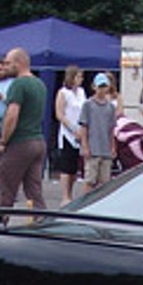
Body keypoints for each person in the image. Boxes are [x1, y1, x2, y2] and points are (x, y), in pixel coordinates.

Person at [0, 47, 49, 210]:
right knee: (34, 190)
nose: (5, 67)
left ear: (19, 63)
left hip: (20, 142)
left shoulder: (19, 84)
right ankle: (42, 222)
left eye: (8, 63)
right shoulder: (39, 84)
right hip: (38, 141)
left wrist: (4, 140)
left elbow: (12, 115)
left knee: (5, 188)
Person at [53, 65, 87, 202]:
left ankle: (71, 191)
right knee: (66, 165)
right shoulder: (63, 93)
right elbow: (60, 114)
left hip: (80, 130)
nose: (81, 79)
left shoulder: (82, 92)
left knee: (74, 166)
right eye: (78, 76)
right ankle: (65, 195)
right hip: (68, 132)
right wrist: (73, 129)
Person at [80, 73, 119, 191]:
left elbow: (111, 128)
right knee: (90, 180)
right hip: (93, 149)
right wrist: (85, 147)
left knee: (105, 182)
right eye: (100, 86)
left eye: (104, 86)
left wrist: (113, 146)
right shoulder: (88, 105)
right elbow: (84, 127)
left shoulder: (111, 107)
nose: (102, 89)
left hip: (105, 149)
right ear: (94, 87)